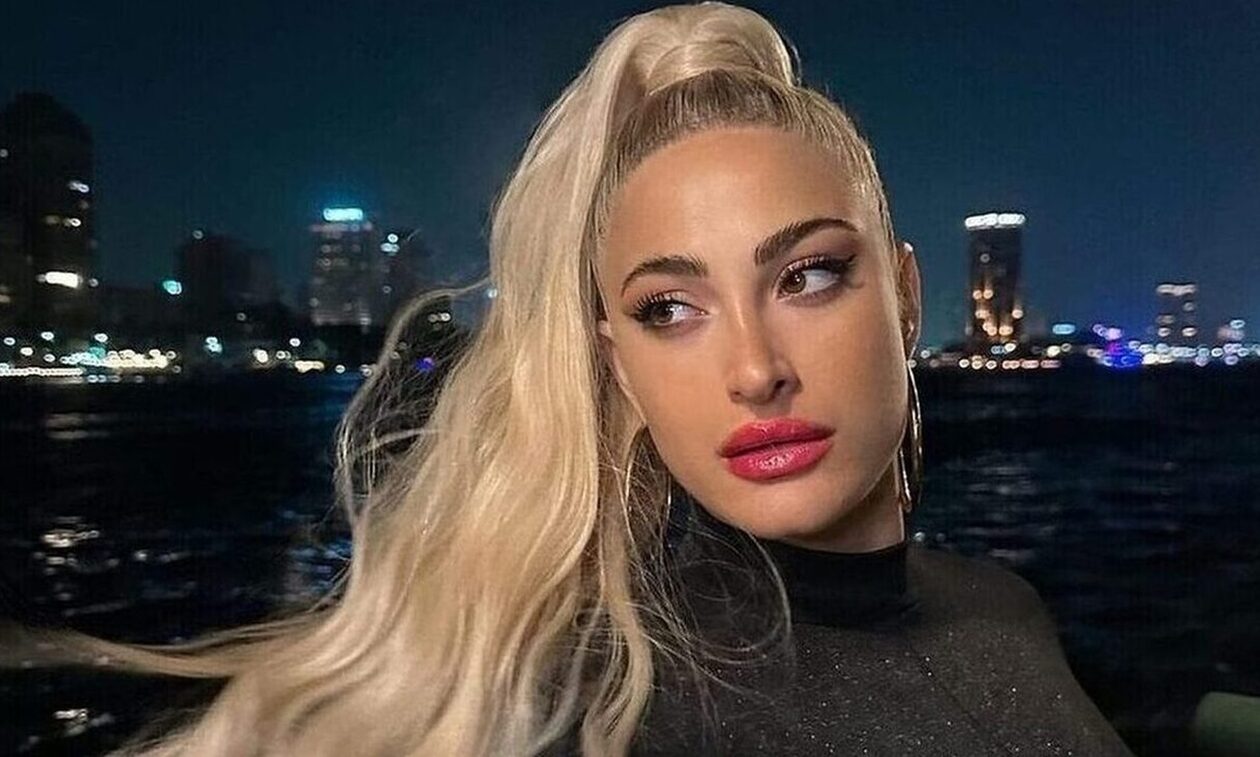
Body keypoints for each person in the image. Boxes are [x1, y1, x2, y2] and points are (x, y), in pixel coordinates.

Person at [9, 2, 1135, 755]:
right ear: (618, 365)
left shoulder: (1003, 608)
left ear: (905, 296)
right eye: (670, 309)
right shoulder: (601, 707)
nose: (754, 370)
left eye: (807, 275)